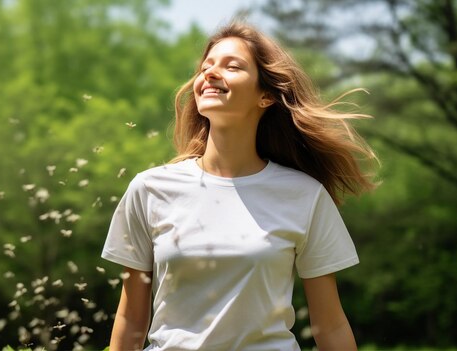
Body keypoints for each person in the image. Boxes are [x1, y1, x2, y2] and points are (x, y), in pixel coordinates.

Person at [101, 22, 379, 351]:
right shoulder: (150, 189)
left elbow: (330, 325)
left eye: (232, 66)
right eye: (206, 67)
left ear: (265, 96)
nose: (211, 74)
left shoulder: (304, 195)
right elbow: (131, 319)